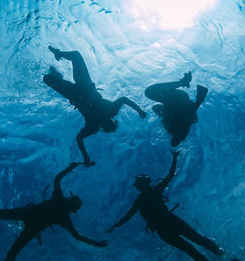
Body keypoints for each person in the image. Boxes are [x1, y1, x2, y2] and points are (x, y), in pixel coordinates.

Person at [105, 150, 235, 261]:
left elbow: (128, 216)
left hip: (166, 227)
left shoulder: (148, 195)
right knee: (195, 244)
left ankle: (225, 256)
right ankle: (225, 256)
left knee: (194, 246)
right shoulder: (151, 193)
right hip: (169, 224)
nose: (147, 185)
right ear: (144, 185)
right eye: (146, 183)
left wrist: (175, 158)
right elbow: (169, 176)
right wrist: (174, 158)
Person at [0, 162, 108, 261]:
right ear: (73, 209)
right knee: (13, 249)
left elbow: (58, 178)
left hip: (30, 216)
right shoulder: (64, 215)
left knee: (0, 217)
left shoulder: (61, 204)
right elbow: (78, 237)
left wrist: (70, 168)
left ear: (71, 202)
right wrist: (97, 243)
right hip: (33, 223)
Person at [43, 46, 147, 166]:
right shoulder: (110, 112)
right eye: (111, 124)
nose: (107, 123)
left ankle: (58, 77)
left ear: (104, 127)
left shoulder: (94, 126)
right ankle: (58, 54)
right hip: (85, 86)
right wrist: (140, 111)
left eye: (108, 127)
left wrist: (86, 157)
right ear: (112, 121)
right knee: (76, 55)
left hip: (75, 94)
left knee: (47, 78)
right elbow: (123, 99)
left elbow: (79, 139)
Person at [145, 72, 208, 147]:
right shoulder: (182, 123)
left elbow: (155, 108)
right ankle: (183, 82)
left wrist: (162, 114)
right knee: (149, 92)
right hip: (179, 99)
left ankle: (183, 82)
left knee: (149, 92)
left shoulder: (168, 123)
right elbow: (192, 111)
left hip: (174, 99)